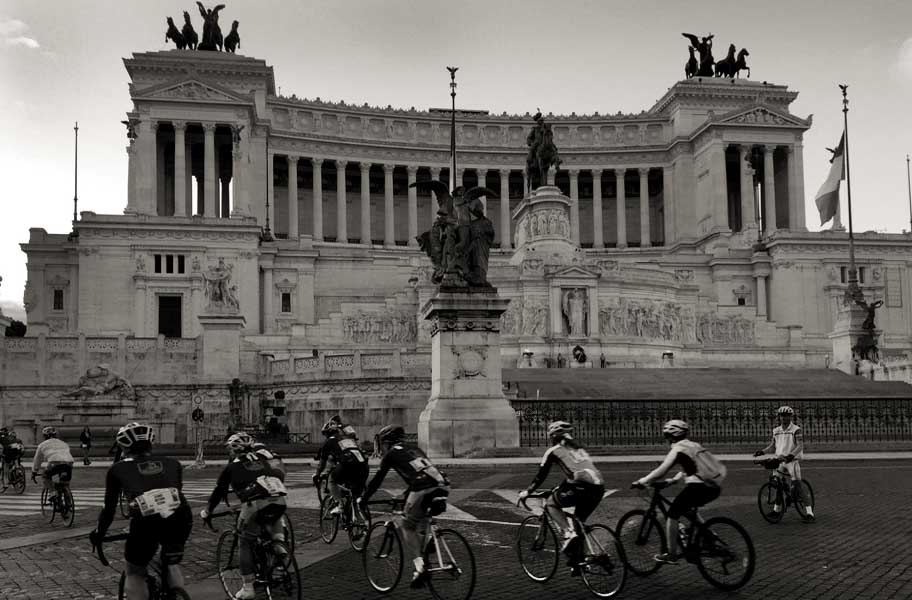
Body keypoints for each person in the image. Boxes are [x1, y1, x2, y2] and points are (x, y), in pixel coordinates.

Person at [90, 422, 191, 600]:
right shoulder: (173, 463)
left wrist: (99, 532)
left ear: (123, 446)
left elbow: (109, 509)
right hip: (181, 515)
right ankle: (175, 594)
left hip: (146, 519)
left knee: (135, 571)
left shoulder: (118, 468)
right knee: (169, 561)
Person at [360, 425, 450, 589]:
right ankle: (428, 541)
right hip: (442, 485)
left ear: (386, 442)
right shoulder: (415, 449)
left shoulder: (391, 454)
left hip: (422, 488)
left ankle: (420, 567)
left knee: (406, 525)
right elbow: (420, 473)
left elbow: (377, 481)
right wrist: (406, 494)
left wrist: (364, 499)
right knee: (421, 520)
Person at [201, 432, 288, 600]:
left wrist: (207, 512)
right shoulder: (263, 459)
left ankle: (248, 588)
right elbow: (278, 475)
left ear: (233, 450)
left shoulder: (232, 467)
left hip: (254, 504)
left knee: (245, 543)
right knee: (274, 523)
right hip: (279, 500)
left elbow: (219, 492)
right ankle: (279, 549)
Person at [633, 419, 724, 565]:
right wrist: (674, 480)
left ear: (669, 436)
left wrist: (643, 481)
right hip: (714, 487)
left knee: (672, 515)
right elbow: (692, 466)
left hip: (698, 486)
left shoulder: (678, 449)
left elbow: (661, 470)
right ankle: (709, 535)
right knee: (686, 509)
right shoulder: (693, 445)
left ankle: (671, 554)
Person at [518, 421, 605, 575]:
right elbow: (575, 471)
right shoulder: (579, 448)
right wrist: (560, 487)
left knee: (552, 504)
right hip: (598, 487)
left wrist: (527, 492)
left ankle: (567, 533)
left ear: (552, 437)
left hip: (580, 486)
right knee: (579, 521)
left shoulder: (554, 450)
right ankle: (579, 562)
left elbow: (541, 476)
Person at [754, 406, 815, 523]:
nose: (784, 418)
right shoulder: (776, 430)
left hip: (791, 461)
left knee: (798, 485)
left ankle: (809, 513)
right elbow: (772, 446)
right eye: (782, 416)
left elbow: (800, 446)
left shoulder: (796, 429)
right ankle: (776, 510)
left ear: (790, 417)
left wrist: (791, 455)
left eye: (786, 415)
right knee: (777, 486)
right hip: (779, 461)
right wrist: (762, 452)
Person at [313, 418, 368, 522]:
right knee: (355, 497)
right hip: (363, 465)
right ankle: (361, 525)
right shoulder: (347, 438)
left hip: (348, 464)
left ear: (327, 433)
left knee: (332, 480)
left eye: (325, 434)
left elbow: (322, 463)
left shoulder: (329, 441)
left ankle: (340, 504)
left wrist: (317, 474)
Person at [31, 426, 75, 492]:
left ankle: (53, 493)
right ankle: (67, 496)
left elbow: (38, 460)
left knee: (46, 476)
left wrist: (34, 471)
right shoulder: (64, 443)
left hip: (54, 464)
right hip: (69, 464)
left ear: (45, 436)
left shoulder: (42, 445)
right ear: (55, 435)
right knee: (64, 481)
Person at [1, 427, 25, 491]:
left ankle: (6, 484)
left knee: (5, 468)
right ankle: (18, 470)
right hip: (18, 451)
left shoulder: (2, 437)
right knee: (15, 459)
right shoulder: (14, 438)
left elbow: (5, 449)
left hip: (9, 451)